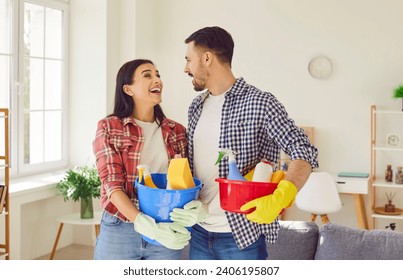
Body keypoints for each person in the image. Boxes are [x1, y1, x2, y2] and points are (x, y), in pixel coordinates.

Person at [181, 26, 319, 260]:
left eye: (188, 60)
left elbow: (304, 150)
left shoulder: (260, 103)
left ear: (207, 58)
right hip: (199, 231)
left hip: (241, 235)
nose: (185, 68)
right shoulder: (196, 106)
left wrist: (282, 196)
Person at [92, 59, 191, 260]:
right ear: (128, 89)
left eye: (158, 74)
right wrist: (142, 223)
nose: (157, 80)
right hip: (120, 229)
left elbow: (186, 181)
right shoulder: (109, 127)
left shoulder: (177, 131)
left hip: (165, 228)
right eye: (147, 75)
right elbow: (112, 185)